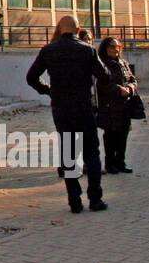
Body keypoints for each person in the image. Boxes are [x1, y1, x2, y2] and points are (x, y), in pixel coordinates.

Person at [26, 15, 115, 213]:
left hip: (61, 108)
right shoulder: (87, 50)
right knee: (92, 153)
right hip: (83, 107)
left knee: (69, 153)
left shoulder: (48, 50)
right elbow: (105, 76)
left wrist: (47, 89)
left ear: (59, 28)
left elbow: (31, 77)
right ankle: (95, 199)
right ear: (77, 30)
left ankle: (74, 201)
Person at [96, 36, 138, 174]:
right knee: (111, 135)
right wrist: (119, 89)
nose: (115, 49)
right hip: (109, 106)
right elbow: (102, 84)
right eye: (112, 47)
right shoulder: (102, 64)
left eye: (117, 47)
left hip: (125, 105)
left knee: (123, 134)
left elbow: (133, 79)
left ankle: (121, 162)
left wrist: (130, 88)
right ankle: (110, 163)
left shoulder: (123, 63)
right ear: (105, 48)